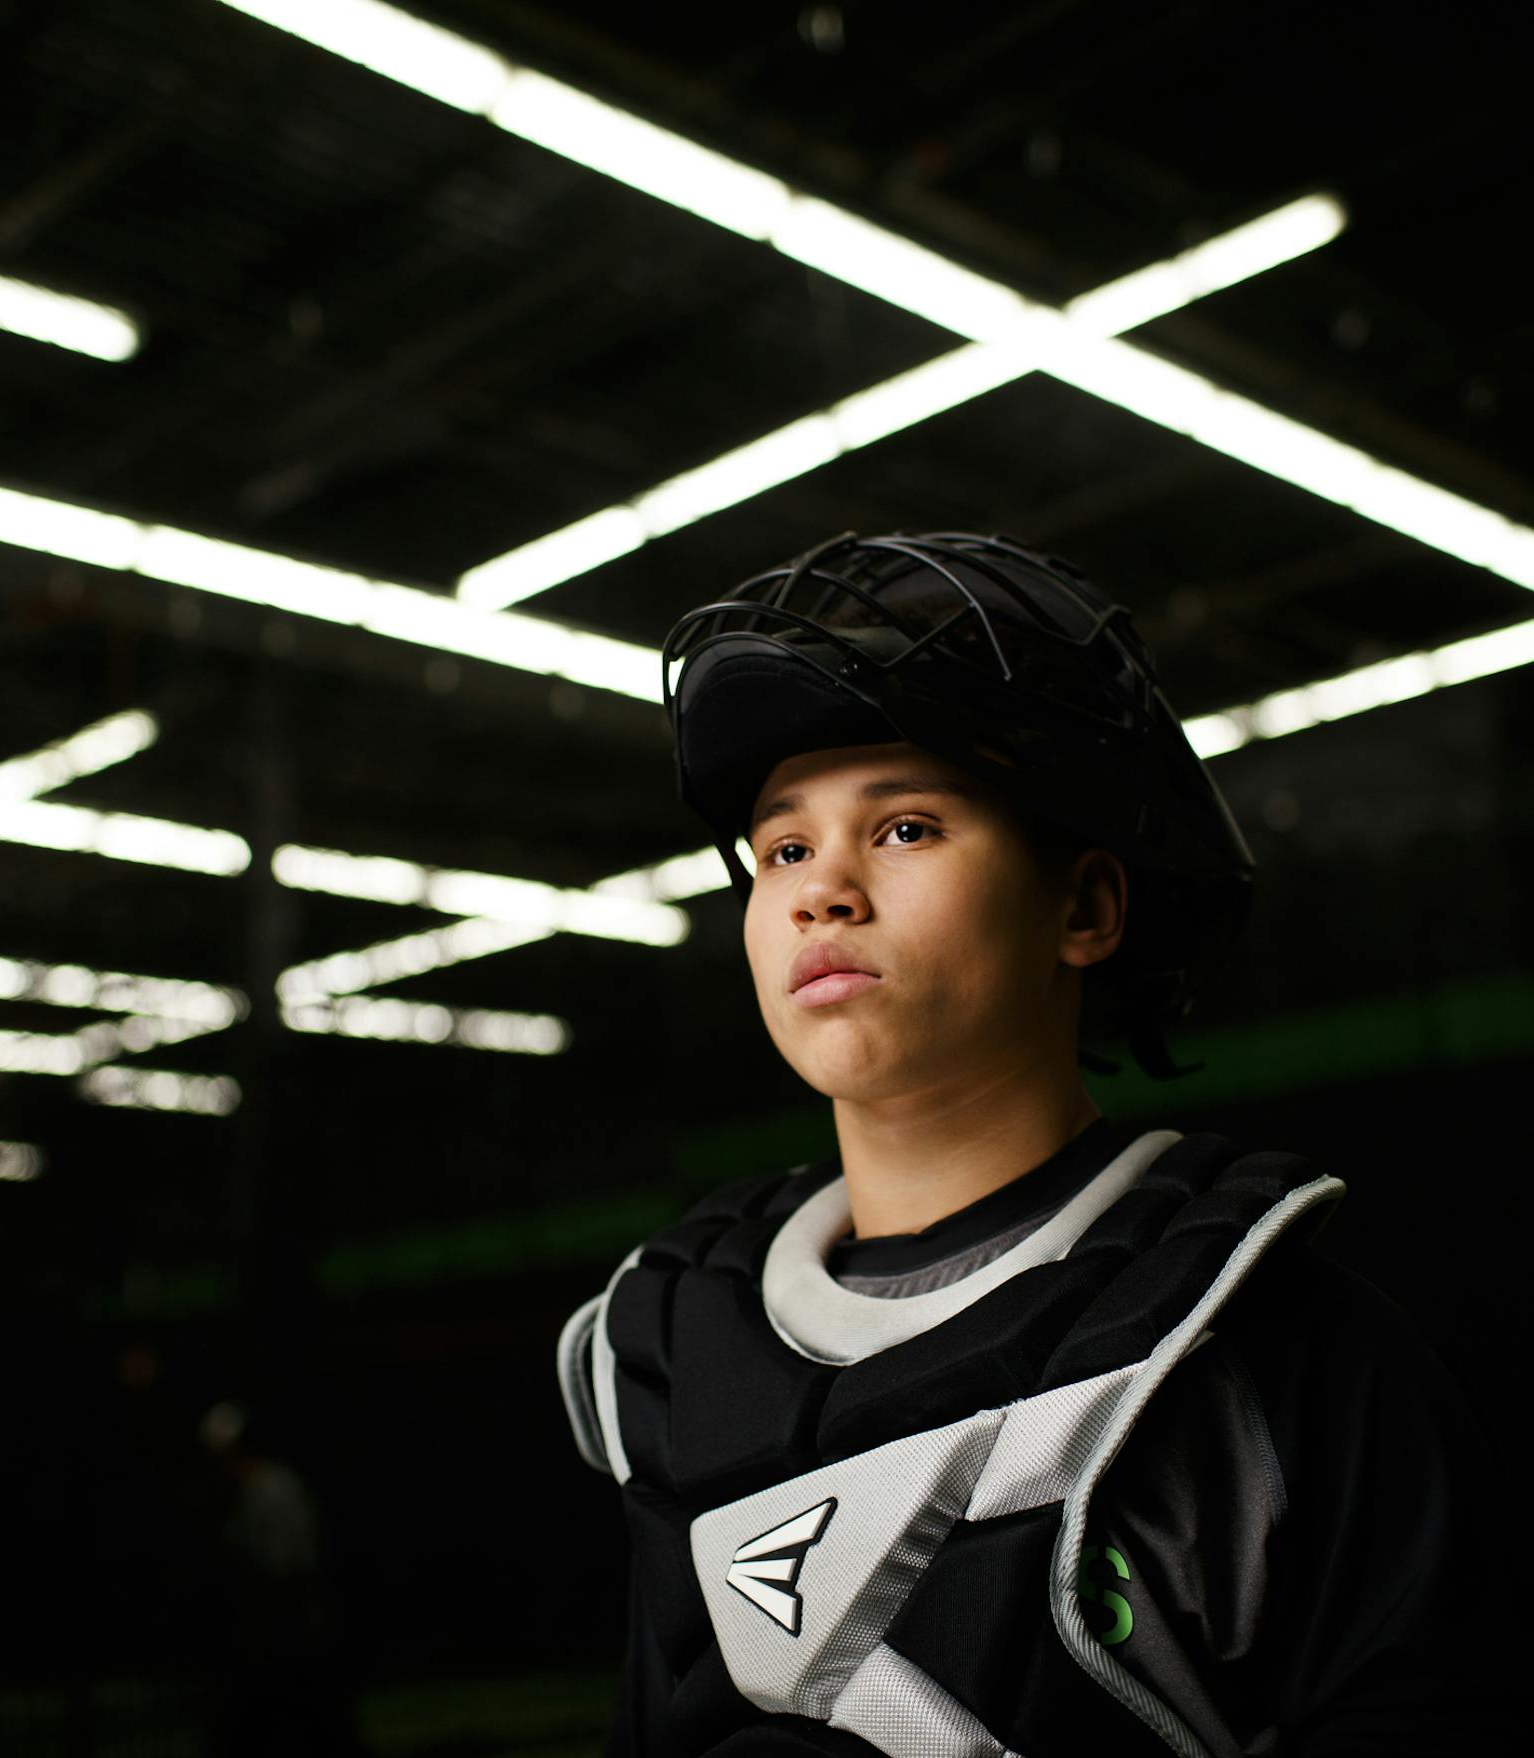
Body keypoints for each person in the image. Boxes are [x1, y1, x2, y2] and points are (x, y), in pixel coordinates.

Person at [556, 533, 1502, 1756]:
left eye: (906, 828)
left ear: (1085, 908)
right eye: (784, 847)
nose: (820, 890)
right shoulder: (659, 1350)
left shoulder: (1276, 1351)